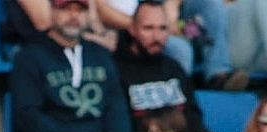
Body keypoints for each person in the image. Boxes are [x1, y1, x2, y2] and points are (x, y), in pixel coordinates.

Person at [112, 1, 232, 132]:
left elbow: (191, 110)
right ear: (132, 29)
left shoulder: (172, 67)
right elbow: (120, 121)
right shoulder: (117, 70)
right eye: (148, 28)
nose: (156, 36)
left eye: (162, 29)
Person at [9, 0, 132, 132]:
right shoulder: (29, 57)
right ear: (52, 11)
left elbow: (116, 107)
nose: (74, 16)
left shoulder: (101, 55)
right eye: (66, 9)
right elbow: (28, 115)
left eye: (80, 10)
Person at [95, 0, 241, 87]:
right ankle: (179, 100)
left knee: (209, 6)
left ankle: (217, 74)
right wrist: (149, 24)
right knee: (180, 48)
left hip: (172, 22)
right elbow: (100, 8)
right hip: (128, 30)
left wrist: (172, 5)